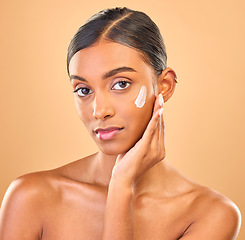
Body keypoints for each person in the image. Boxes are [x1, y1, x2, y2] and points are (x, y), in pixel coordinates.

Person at [0, 7, 241, 240]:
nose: (99, 111)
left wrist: (121, 186)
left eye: (121, 84)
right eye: (84, 90)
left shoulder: (209, 214)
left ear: (164, 86)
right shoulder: (31, 197)